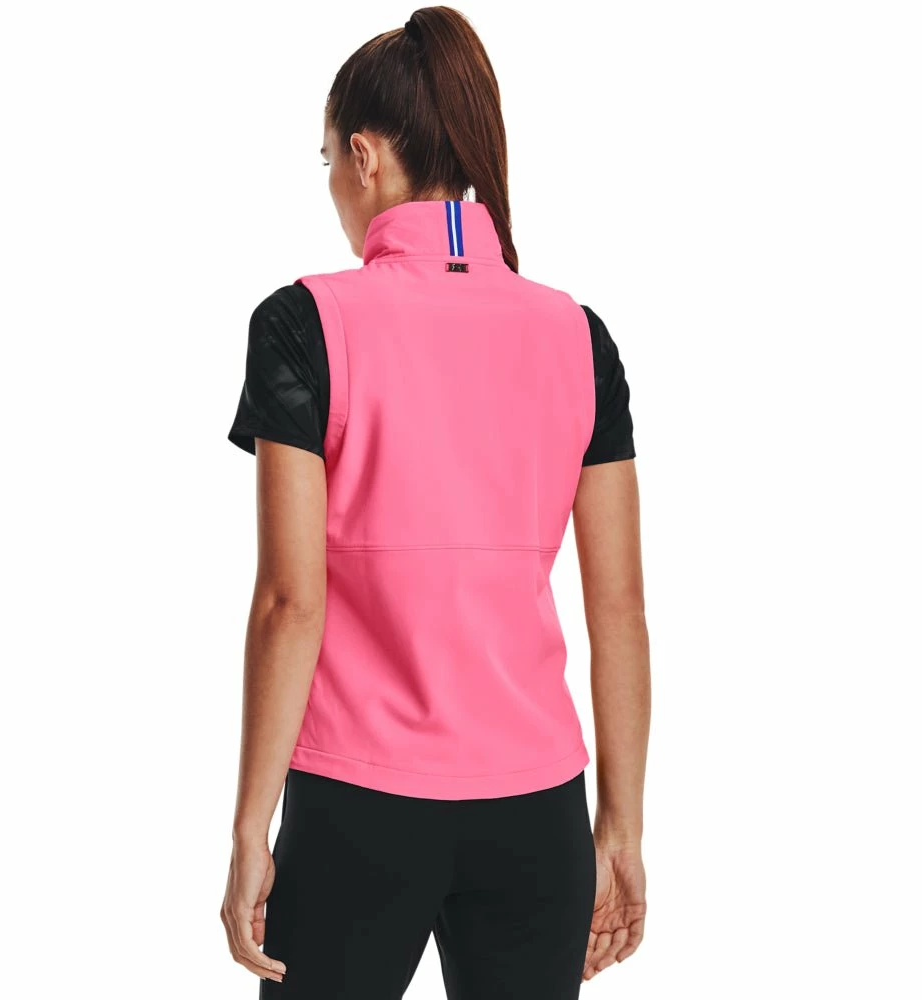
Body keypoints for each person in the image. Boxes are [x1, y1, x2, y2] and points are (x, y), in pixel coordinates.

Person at [219, 7, 650, 998]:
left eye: (326, 159)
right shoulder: (579, 336)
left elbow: (289, 600)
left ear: (364, 157)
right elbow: (619, 606)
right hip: (537, 812)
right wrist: (621, 827)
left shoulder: (302, 323)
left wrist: (249, 827)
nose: (332, 185)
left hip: (355, 807)